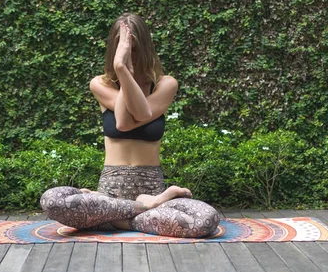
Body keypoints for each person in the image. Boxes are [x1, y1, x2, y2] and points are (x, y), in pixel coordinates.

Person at [40, 13, 220, 237]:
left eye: (133, 49)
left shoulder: (166, 84)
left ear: (144, 46)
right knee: (52, 200)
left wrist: (124, 71)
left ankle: (110, 220)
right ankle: (140, 211)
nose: (129, 56)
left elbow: (136, 115)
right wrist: (122, 69)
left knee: (205, 220)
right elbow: (124, 123)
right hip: (111, 194)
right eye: (124, 50)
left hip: (150, 188)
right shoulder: (100, 84)